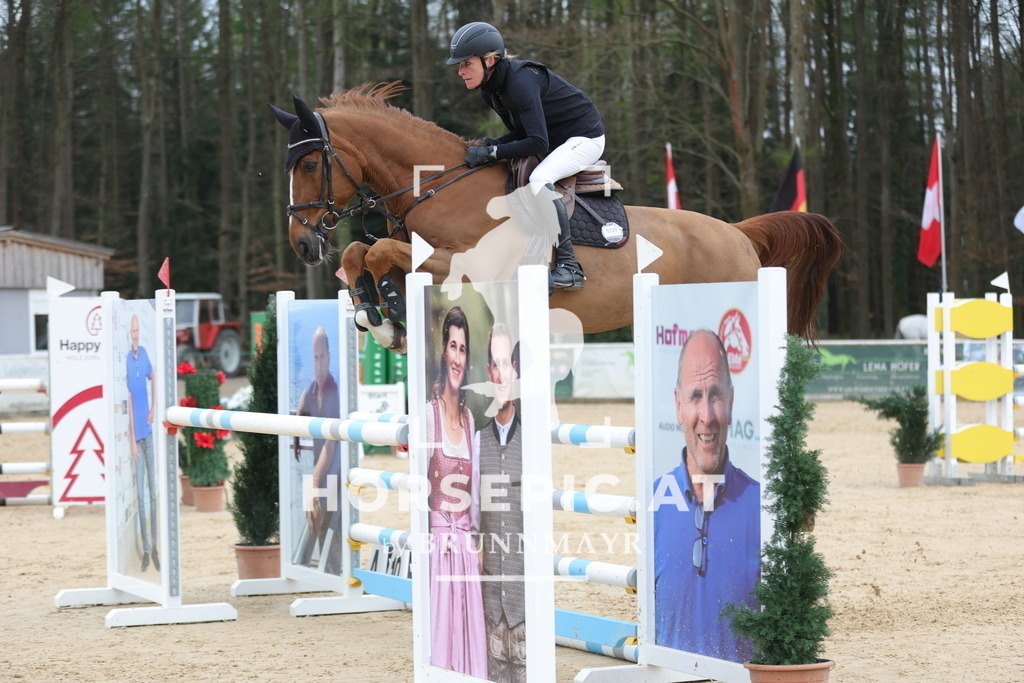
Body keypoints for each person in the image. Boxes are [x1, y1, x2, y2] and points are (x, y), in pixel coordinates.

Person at [447, 21, 606, 292]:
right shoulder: (490, 89)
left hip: (584, 138)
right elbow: (522, 132)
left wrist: (494, 152)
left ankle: (569, 267)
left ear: (489, 60)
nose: (461, 72)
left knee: (539, 178)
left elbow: (536, 141)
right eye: (459, 66)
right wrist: (493, 145)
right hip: (556, 140)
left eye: (466, 64)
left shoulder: (520, 82)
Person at [653, 329, 760, 662]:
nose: (707, 416)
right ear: (677, 405)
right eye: (695, 396)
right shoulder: (650, 503)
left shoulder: (763, 507)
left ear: (730, 402)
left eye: (715, 395)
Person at [425, 306, 487, 677]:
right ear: (443, 352)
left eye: (464, 349)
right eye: (453, 346)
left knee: (469, 631)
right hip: (436, 545)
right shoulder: (427, 415)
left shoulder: (468, 419)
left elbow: (475, 495)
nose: (458, 357)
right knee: (440, 633)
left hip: (464, 544)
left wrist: (475, 541)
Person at [475, 323, 526, 681]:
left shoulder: (537, 437)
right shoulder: (477, 440)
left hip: (527, 596)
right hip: (491, 598)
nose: (499, 373)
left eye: (506, 363)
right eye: (493, 364)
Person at [295, 326, 342, 573]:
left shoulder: (333, 390)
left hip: (334, 467)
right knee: (312, 517)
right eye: (315, 357)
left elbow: (331, 446)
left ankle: (333, 568)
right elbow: (301, 409)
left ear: (330, 357)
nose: (319, 362)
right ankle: (307, 565)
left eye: (322, 356)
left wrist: (313, 482)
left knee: (327, 517)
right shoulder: (311, 389)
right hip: (316, 465)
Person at [126, 314, 159, 573]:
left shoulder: (145, 354)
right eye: (133, 330)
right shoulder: (126, 361)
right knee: (139, 495)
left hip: (148, 433)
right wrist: (132, 442)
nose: (136, 334)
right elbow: (127, 401)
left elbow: (154, 376)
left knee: (153, 491)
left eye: (138, 329)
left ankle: (155, 545)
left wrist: (154, 408)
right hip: (136, 437)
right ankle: (145, 549)